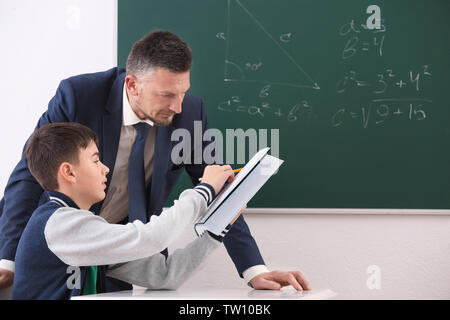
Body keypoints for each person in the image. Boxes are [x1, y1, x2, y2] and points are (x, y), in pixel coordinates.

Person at [0, 30, 310, 292]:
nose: (177, 106)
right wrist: (8, 259)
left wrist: (253, 269)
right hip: (66, 246)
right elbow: (29, 173)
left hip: (123, 249)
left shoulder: (188, 113)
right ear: (132, 85)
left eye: (183, 93)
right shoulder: (79, 95)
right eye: (166, 95)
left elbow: (222, 190)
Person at [12, 122, 241, 299]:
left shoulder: (87, 232)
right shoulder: (57, 224)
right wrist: (205, 190)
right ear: (69, 172)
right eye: (95, 161)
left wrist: (215, 230)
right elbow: (150, 238)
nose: (105, 169)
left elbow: (165, 275)